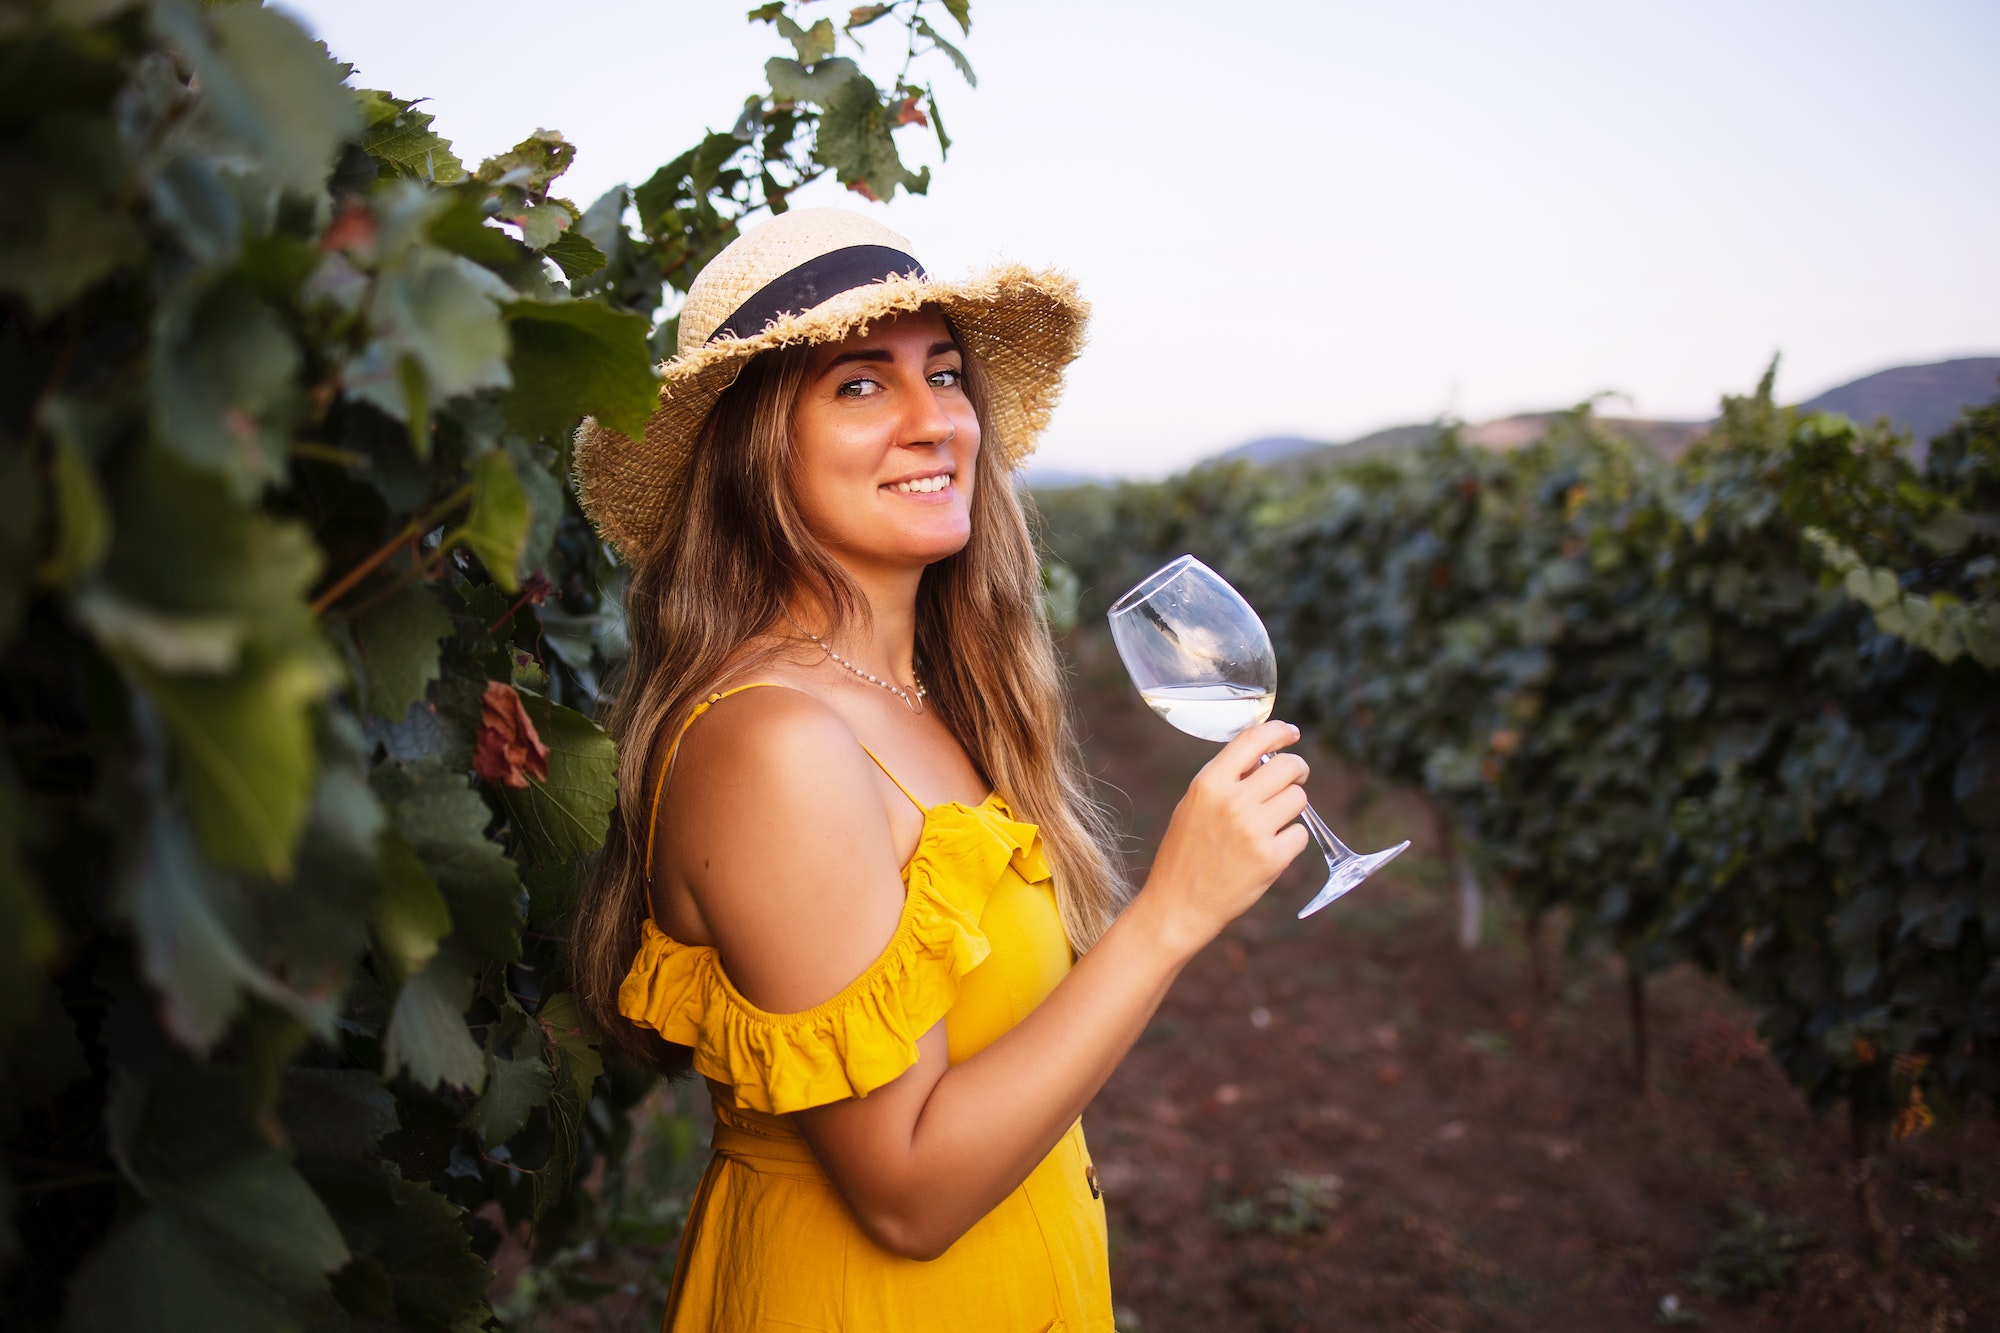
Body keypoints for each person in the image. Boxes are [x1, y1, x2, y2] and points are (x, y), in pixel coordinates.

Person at [571, 208, 1310, 1332]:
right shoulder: (773, 742)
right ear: (755, 446)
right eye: (859, 385)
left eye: (945, 373)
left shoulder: (927, 699)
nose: (934, 422)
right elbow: (905, 1192)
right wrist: (1171, 914)